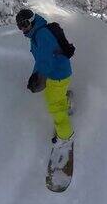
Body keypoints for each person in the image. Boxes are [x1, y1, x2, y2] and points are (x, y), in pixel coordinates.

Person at [16, 8, 74, 145]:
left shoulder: (42, 35)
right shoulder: (36, 34)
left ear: (32, 21)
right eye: (19, 26)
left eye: (24, 24)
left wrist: (38, 77)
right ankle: (67, 102)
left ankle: (66, 137)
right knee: (51, 95)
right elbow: (41, 59)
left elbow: (46, 61)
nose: (22, 29)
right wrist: (35, 74)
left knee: (54, 106)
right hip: (59, 73)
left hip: (58, 75)